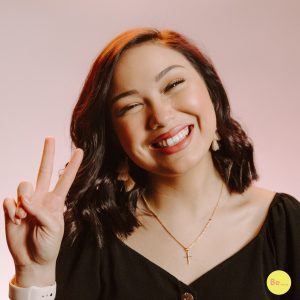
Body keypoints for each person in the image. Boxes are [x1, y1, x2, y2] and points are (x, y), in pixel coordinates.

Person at [3, 28, 300, 300]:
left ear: (211, 90)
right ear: (113, 134)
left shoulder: (286, 225)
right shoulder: (83, 242)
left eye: (174, 84)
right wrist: (34, 274)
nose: (160, 116)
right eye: (131, 106)